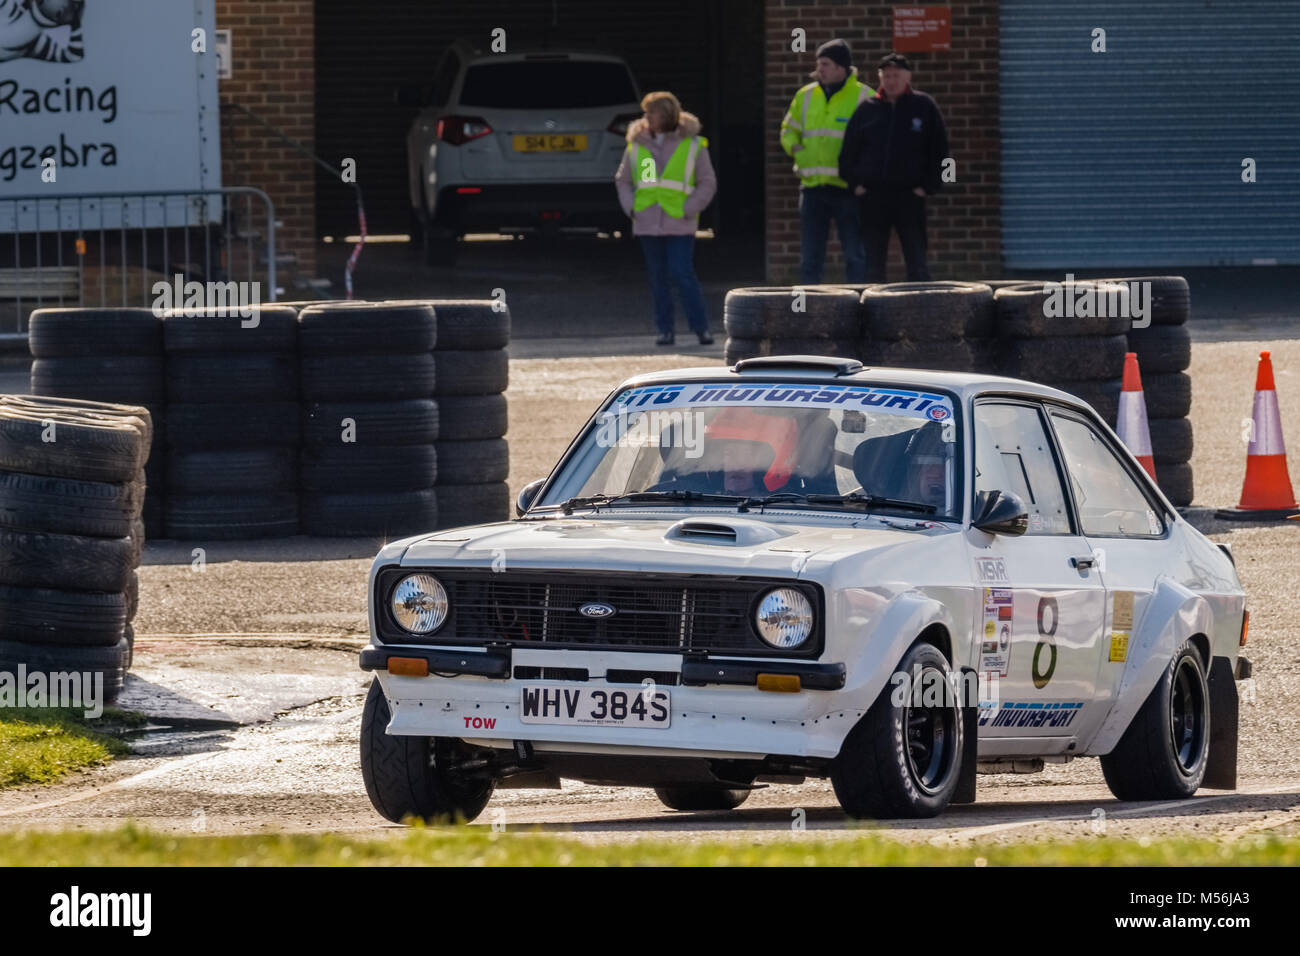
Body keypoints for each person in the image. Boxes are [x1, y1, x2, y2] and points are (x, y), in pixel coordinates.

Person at [615, 91, 717, 346]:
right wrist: (632, 209)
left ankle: (701, 327)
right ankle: (665, 330)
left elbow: (707, 182)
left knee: (682, 272)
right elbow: (624, 181)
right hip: (648, 222)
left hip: (679, 221)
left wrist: (689, 208)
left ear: (667, 114)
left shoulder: (693, 144)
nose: (646, 117)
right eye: (646, 112)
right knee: (658, 278)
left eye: (652, 112)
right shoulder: (637, 145)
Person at [840, 52, 950, 282]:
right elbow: (848, 150)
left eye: (896, 75)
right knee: (872, 265)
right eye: (886, 75)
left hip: (910, 196)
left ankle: (922, 308)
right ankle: (871, 311)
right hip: (873, 197)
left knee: (917, 261)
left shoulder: (924, 106)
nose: (891, 80)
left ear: (908, 77)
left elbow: (941, 151)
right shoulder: (866, 109)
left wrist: (929, 186)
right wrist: (855, 184)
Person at [779, 38, 874, 285]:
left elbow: (876, 144)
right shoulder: (805, 95)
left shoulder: (865, 96)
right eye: (819, 63)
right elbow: (788, 129)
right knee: (811, 257)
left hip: (848, 189)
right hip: (812, 188)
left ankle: (859, 305)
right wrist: (795, 148)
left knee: (855, 255)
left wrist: (863, 177)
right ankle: (810, 309)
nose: (819, 69)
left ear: (841, 67)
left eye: (825, 63)